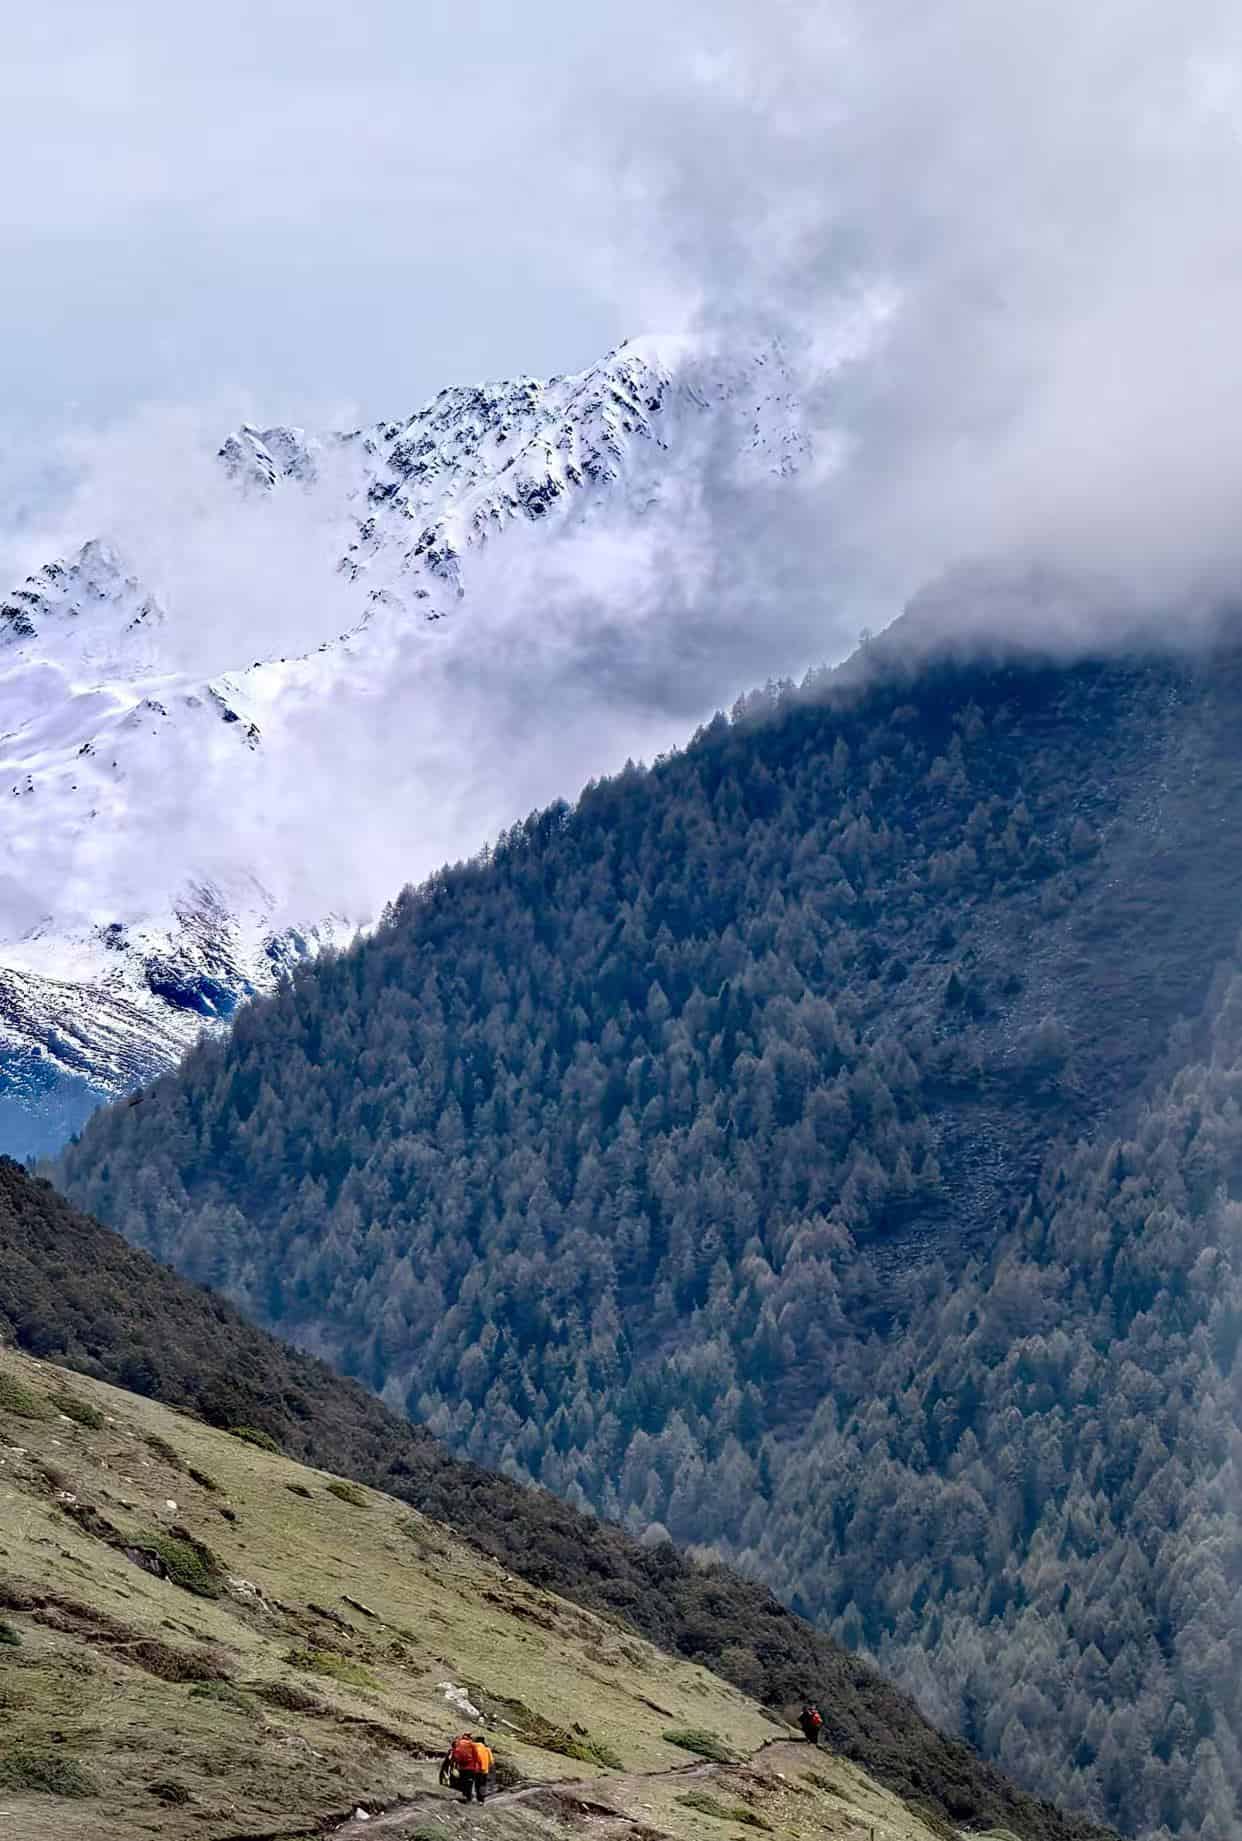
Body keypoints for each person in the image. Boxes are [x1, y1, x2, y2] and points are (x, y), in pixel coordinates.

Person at [470, 1734, 494, 1803]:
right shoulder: (487, 1749)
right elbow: (491, 1761)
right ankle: (481, 1799)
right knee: (482, 1784)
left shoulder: (474, 1747)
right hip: (484, 1770)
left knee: (476, 1784)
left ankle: (475, 1797)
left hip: (476, 1769)